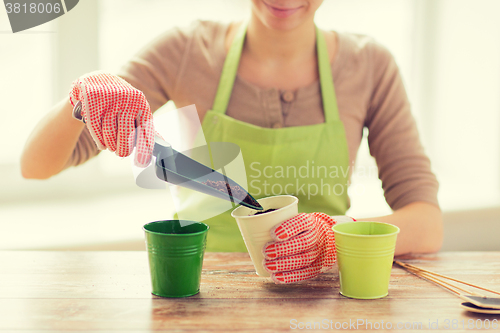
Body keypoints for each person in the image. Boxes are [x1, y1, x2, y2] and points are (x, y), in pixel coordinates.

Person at [21, 0, 442, 283]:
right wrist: (82, 95)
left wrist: (335, 237)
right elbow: (36, 166)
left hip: (323, 296)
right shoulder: (185, 51)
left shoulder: (370, 66)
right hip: (203, 296)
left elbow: (427, 224)